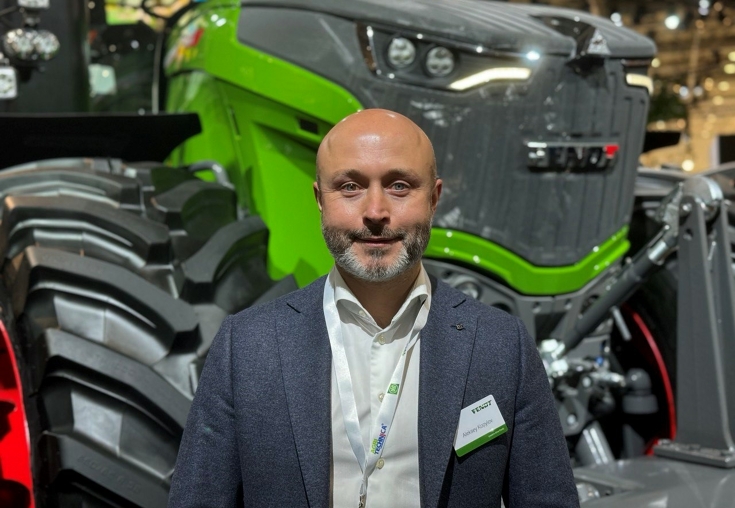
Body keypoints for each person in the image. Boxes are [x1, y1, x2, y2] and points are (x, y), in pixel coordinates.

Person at [168, 109, 579, 507]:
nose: (376, 212)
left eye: (400, 186)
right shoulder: (247, 347)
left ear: (434, 198)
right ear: (320, 199)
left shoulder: (501, 345)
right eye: (350, 186)